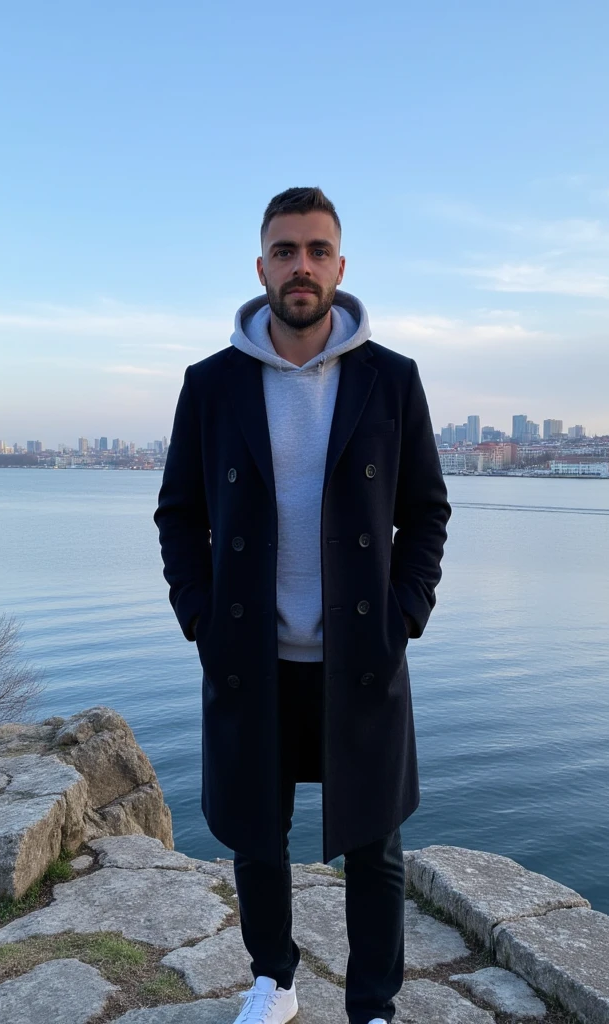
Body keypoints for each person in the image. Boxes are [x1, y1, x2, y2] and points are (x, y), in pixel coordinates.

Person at [154, 187, 450, 1024]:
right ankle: (273, 981)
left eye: (317, 251)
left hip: (360, 653)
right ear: (261, 267)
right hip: (251, 653)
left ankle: (374, 1006)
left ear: (341, 267)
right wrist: (201, 619)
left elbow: (426, 508)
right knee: (256, 832)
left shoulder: (392, 380)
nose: (302, 267)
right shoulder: (210, 385)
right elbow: (180, 515)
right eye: (286, 251)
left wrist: (406, 611)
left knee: (375, 842)